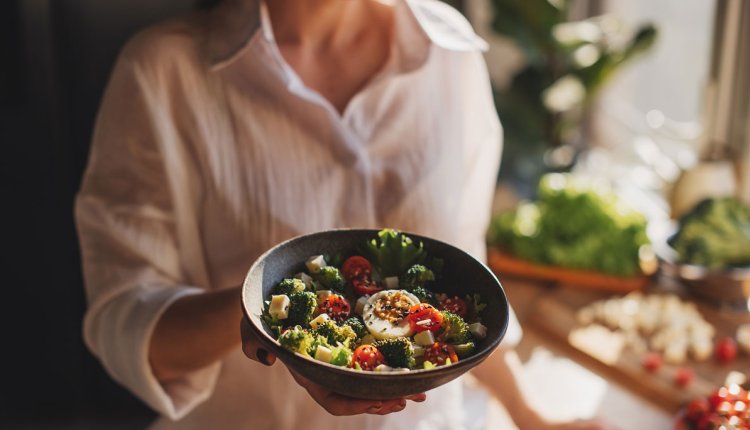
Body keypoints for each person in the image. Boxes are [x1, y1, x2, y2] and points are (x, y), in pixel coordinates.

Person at [76, 0, 614, 428]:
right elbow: (127, 325)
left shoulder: (450, 52)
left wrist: (531, 417)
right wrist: (267, 318)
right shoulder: (163, 72)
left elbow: (461, 274)